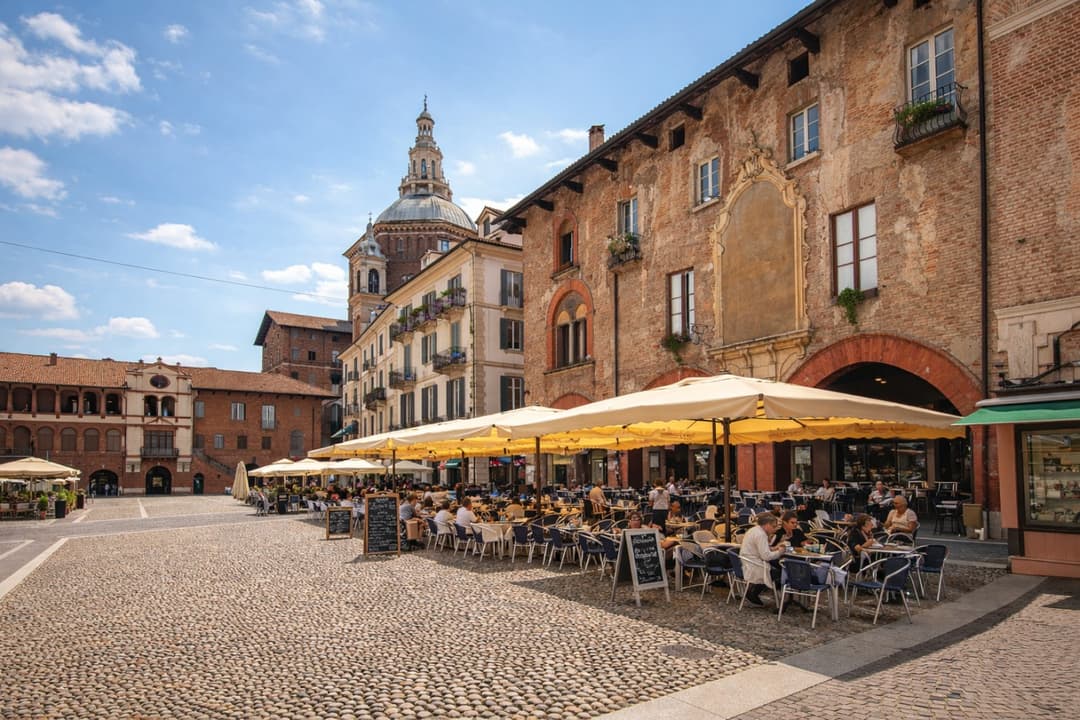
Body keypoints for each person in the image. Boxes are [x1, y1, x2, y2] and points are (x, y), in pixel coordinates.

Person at [740, 513, 785, 607]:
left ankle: (753, 592)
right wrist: (780, 552)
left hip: (749, 562)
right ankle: (755, 594)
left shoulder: (754, 530)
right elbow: (766, 556)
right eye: (773, 526)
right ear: (767, 525)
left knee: (776, 569)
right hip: (755, 565)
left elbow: (760, 549)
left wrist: (772, 549)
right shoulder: (761, 535)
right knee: (780, 573)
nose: (775, 529)